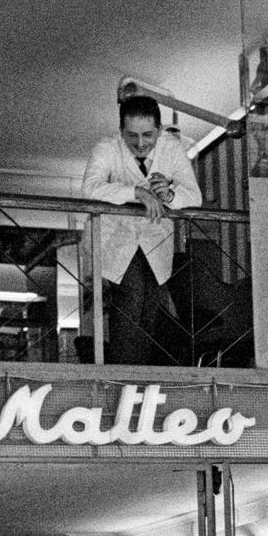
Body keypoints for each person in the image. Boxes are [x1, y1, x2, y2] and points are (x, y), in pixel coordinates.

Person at [81, 93, 202, 364]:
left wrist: (168, 194)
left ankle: (140, 378)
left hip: (155, 239)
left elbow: (194, 197)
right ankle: (126, 376)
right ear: (121, 130)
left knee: (149, 309)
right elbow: (90, 188)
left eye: (148, 135)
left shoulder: (171, 148)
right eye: (131, 135)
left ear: (159, 130)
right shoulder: (107, 148)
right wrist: (135, 192)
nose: (140, 143)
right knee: (130, 300)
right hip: (118, 240)